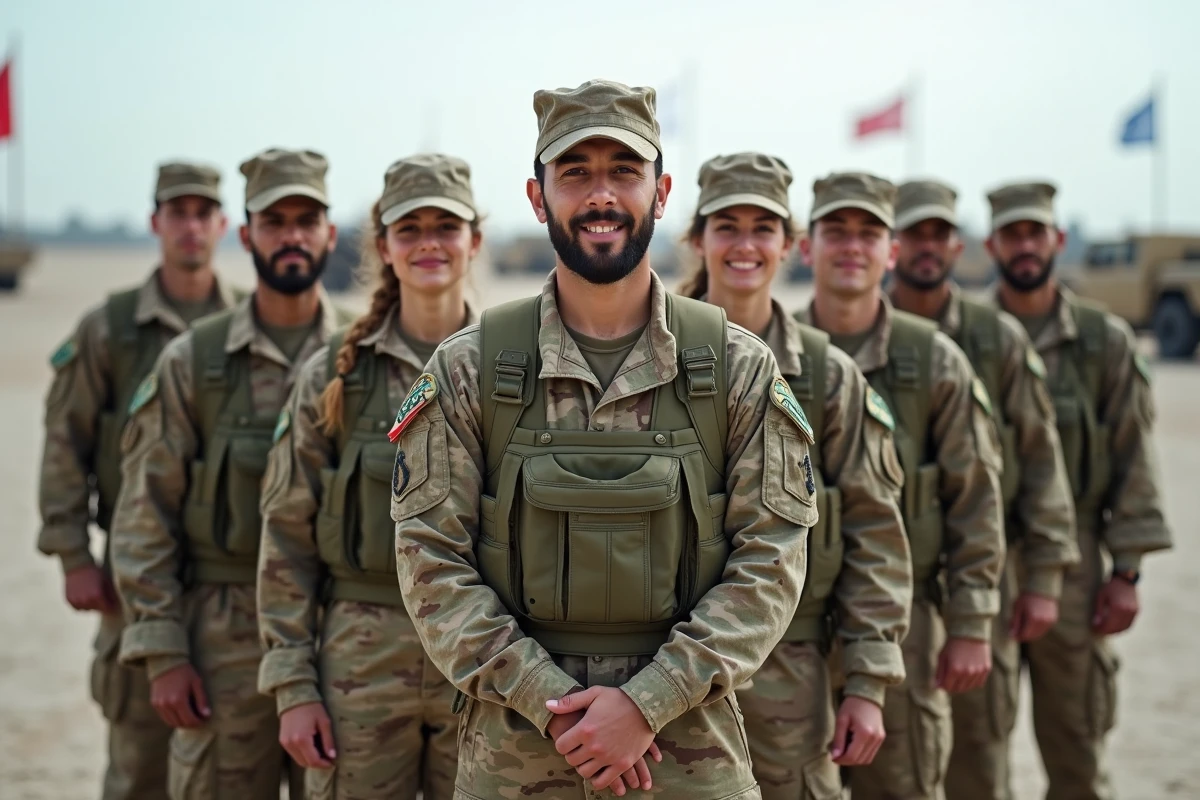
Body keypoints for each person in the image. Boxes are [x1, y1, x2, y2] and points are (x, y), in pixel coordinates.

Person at [392, 79, 817, 799]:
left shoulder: (736, 366)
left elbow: (771, 564)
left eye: (624, 170)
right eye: (575, 173)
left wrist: (646, 703)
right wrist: (555, 710)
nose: (600, 195)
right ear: (537, 197)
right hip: (513, 757)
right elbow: (431, 564)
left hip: (687, 757)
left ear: (660, 192)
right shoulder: (470, 367)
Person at [111, 148, 348, 798]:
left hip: (339, 638)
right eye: (275, 221)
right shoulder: (195, 361)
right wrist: (165, 653)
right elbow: (144, 513)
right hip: (221, 639)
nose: (292, 236)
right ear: (246, 236)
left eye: (307, 220)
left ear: (330, 233)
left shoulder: (362, 356)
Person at [677, 152, 911, 799]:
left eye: (763, 226)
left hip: (793, 678)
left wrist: (866, 684)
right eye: (727, 226)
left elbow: (873, 531)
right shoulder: (649, 355)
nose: (745, 245)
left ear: (790, 245)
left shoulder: (828, 376)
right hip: (666, 671)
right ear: (698, 239)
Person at [257, 153, 481, 799]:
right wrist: (294, 688)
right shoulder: (335, 374)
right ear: (383, 245)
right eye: (409, 229)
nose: (429, 243)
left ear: (475, 240)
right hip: (359, 660)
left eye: (447, 226)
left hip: (480, 659)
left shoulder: (511, 367)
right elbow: (287, 538)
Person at [795, 171, 1006, 800]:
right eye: (836, 231)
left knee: (903, 783)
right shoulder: (770, 352)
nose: (852, 247)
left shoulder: (934, 359)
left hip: (902, 627)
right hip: (792, 627)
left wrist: (970, 623)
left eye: (870, 233)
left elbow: (976, 497)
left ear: (890, 251)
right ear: (807, 246)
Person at [36, 161, 236, 800]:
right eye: (178, 212)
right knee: (140, 761)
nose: (191, 227)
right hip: (134, 577)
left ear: (223, 225)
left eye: (203, 213)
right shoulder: (111, 329)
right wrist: (71, 554)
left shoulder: (244, 325)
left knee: (229, 760)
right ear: (156, 223)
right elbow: (65, 443)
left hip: (229, 579)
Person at [888, 178, 1080, 799]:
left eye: (939, 234)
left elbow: (1040, 463)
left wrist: (1045, 579)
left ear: (957, 244)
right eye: (914, 232)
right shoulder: (854, 332)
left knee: (979, 754)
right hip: (885, 591)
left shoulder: (996, 339)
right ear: (894, 244)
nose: (927, 246)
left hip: (980, 579)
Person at [987, 180, 1172, 800]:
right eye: (1012, 234)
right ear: (992, 244)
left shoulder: (1103, 339)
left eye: (1035, 232)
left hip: (1078, 564)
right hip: (985, 559)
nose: (1024, 245)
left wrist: (1129, 570)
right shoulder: (969, 336)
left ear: (1057, 240)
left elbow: (1134, 454)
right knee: (977, 750)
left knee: (1077, 743)